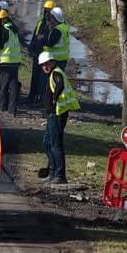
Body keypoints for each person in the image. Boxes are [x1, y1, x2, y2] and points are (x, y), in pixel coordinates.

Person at [39, 51, 81, 184]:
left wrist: (54, 99)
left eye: (46, 64)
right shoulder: (53, 73)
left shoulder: (56, 73)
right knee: (47, 143)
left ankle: (60, 175)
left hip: (57, 114)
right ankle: (52, 172)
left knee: (56, 145)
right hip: (53, 114)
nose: (44, 67)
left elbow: (60, 84)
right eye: (42, 65)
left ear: (51, 62)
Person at [29, 0, 55, 103]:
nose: (47, 13)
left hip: (46, 55)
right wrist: (31, 49)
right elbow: (35, 37)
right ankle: (32, 96)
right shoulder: (41, 22)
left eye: (49, 11)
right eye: (46, 11)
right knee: (35, 76)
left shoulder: (53, 25)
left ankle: (40, 97)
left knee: (43, 78)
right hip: (37, 54)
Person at [0, 9, 22, 116]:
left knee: (3, 87)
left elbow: (0, 45)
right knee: (13, 86)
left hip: (5, 62)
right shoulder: (13, 29)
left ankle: (3, 107)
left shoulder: (5, 29)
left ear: (3, 19)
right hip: (15, 61)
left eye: (0, 20)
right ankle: (12, 110)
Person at [45, 6, 71, 71]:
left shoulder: (57, 30)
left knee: (52, 79)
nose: (50, 19)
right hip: (63, 59)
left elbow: (49, 44)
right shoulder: (64, 26)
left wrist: (48, 31)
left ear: (55, 18)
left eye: (51, 17)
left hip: (55, 60)